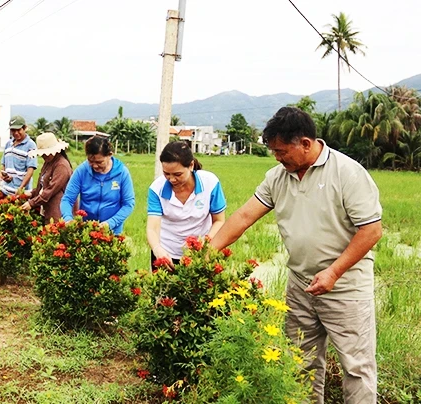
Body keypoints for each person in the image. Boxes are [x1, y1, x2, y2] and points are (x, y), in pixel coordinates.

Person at [209, 107, 383, 404]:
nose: (277, 157)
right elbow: (242, 218)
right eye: (273, 151)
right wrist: (206, 254)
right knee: (301, 362)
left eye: (281, 151)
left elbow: (371, 230)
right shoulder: (277, 177)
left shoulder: (348, 173)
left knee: (356, 367)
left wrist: (333, 272)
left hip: (345, 288)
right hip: (301, 285)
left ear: (305, 143)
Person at [147, 142, 226, 266]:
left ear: (191, 166)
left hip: (200, 253)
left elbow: (219, 221)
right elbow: (152, 227)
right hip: (167, 253)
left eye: (178, 174)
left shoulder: (210, 183)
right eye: (166, 173)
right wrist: (157, 249)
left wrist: (205, 244)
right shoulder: (157, 189)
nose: (172, 179)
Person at [60, 136, 135, 234]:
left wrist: (110, 223)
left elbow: (128, 204)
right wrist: (68, 218)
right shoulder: (81, 171)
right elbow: (67, 199)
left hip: (112, 231)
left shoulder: (122, 173)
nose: (95, 166)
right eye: (91, 161)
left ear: (109, 155)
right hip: (87, 230)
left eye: (99, 162)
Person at [21, 133, 73, 223]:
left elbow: (51, 189)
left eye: (46, 153)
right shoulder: (48, 162)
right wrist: (32, 193)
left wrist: (32, 203)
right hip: (46, 210)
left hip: (57, 213)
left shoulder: (61, 165)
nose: (43, 156)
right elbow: (43, 185)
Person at [0, 116, 37, 195]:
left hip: (20, 193)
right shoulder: (8, 144)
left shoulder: (31, 145)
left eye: (18, 130)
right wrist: (5, 176)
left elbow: (30, 170)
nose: (16, 133)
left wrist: (21, 188)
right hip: (5, 190)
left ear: (24, 128)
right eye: (13, 130)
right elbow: (3, 164)